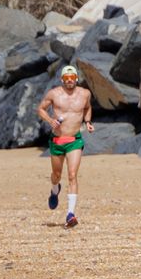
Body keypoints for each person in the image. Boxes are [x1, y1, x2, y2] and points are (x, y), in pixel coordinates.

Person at [37, 65, 95, 228]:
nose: (70, 81)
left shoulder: (84, 94)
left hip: (74, 140)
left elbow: (87, 107)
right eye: (66, 79)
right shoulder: (54, 94)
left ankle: (70, 214)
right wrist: (50, 121)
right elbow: (40, 109)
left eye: (72, 78)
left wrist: (88, 122)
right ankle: (55, 189)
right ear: (62, 79)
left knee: (72, 175)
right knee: (56, 174)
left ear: (76, 78)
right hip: (57, 141)